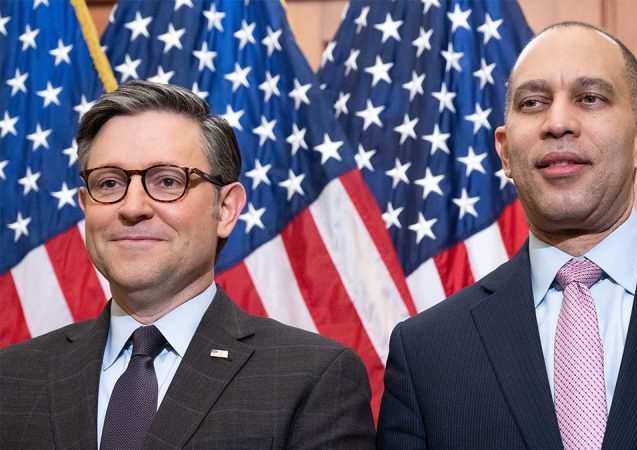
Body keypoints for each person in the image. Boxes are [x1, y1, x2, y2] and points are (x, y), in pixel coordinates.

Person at [376, 22, 637, 449]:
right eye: (533, 102)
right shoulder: (426, 353)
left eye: (590, 98)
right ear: (504, 151)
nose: (558, 122)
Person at [0, 80, 375, 449]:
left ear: (225, 209)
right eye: (109, 183)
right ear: (85, 205)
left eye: (167, 181)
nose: (133, 207)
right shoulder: (11, 377)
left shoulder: (312, 377)